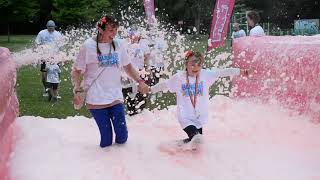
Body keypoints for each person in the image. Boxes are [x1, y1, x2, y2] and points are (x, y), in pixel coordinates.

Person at [72, 15, 149, 148]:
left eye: (116, 30)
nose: (114, 34)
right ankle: (105, 167)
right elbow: (77, 70)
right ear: (101, 30)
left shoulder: (119, 44)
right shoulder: (88, 46)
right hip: (96, 98)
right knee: (106, 139)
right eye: (111, 30)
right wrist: (77, 89)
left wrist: (140, 81)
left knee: (122, 136)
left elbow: (128, 66)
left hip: (115, 96)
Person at [149, 51, 250, 148]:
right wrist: (150, 90)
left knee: (197, 144)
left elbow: (222, 72)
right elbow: (165, 85)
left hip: (199, 117)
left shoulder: (205, 75)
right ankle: (176, 147)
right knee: (197, 139)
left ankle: (176, 145)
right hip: (185, 117)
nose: (196, 67)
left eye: (198, 64)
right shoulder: (179, 77)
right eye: (192, 64)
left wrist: (241, 71)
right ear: (186, 64)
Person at [121, 28, 151, 116]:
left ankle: (140, 115)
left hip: (141, 73)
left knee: (142, 97)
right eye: (131, 36)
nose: (133, 38)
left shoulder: (143, 45)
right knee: (130, 99)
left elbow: (147, 58)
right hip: (127, 75)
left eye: (136, 36)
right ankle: (131, 114)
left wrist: (148, 70)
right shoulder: (124, 45)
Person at [35, 20, 63, 97]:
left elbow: (61, 47)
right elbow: (37, 44)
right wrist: (39, 53)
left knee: (56, 74)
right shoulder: (42, 33)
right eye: (49, 27)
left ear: (54, 27)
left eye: (52, 27)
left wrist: (61, 57)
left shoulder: (58, 34)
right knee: (44, 75)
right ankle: (46, 89)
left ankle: (55, 91)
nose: (50, 28)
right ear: (47, 27)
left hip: (55, 57)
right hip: (44, 57)